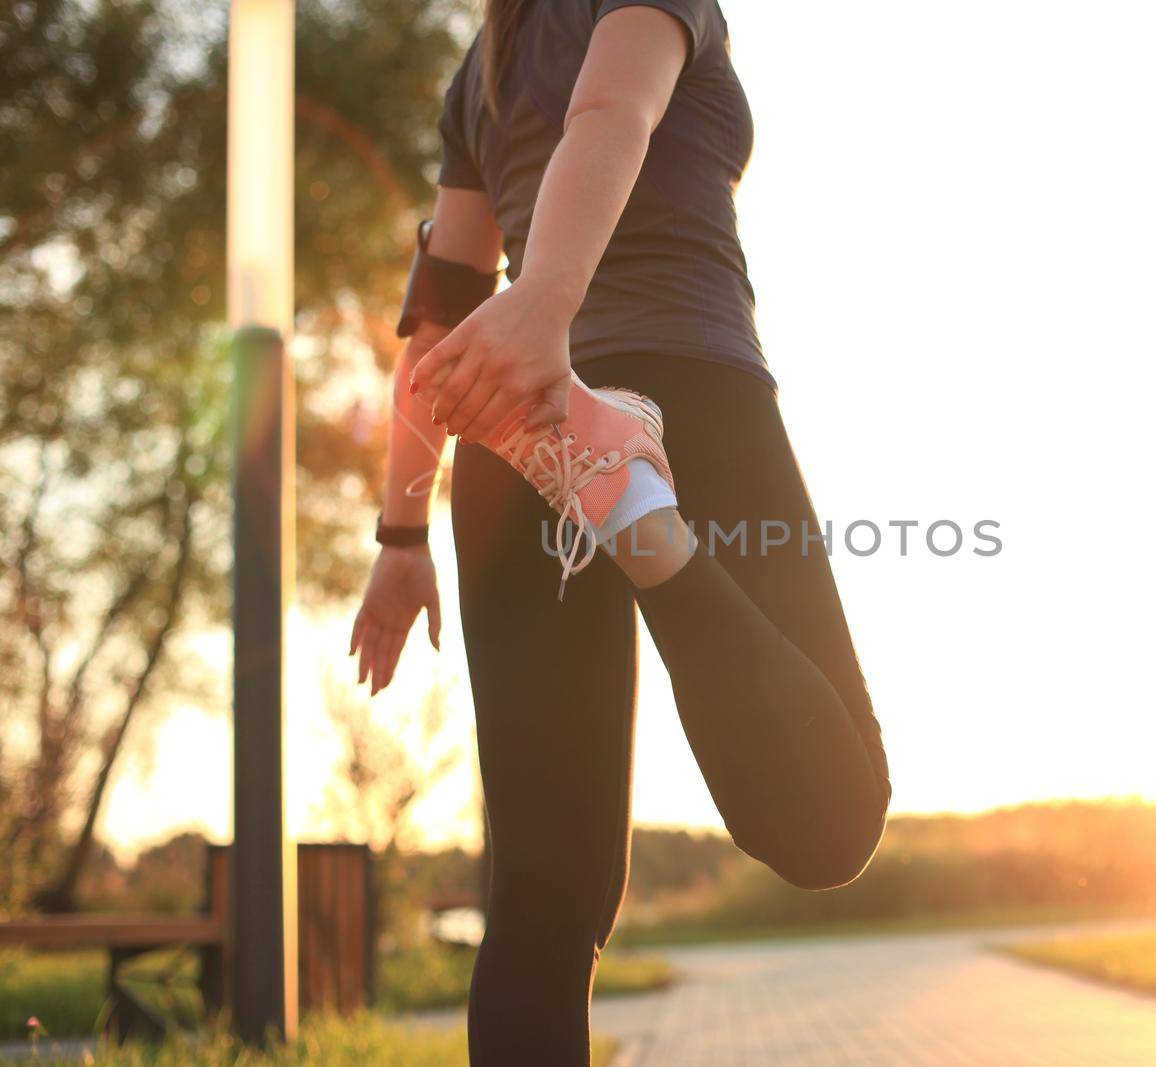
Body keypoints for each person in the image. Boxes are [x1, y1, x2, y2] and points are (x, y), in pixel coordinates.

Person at [348, 0, 889, 1061]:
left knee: (544, 899)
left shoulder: (485, 62)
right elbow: (612, 111)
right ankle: (642, 514)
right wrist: (548, 309)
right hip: (682, 391)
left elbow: (442, 300)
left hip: (511, 441)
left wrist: (401, 532)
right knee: (829, 821)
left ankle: (619, 492)